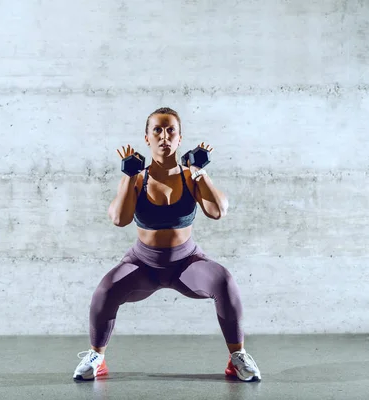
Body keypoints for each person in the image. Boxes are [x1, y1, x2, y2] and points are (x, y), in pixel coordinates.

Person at [72, 107, 261, 382]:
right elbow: (118, 219)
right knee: (105, 290)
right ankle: (96, 357)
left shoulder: (190, 177)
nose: (164, 136)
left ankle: (237, 357)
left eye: (170, 130)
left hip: (187, 263)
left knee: (224, 281)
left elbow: (218, 211)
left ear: (180, 137)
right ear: (147, 139)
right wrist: (128, 176)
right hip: (143, 263)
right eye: (157, 130)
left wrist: (200, 173)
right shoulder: (138, 178)